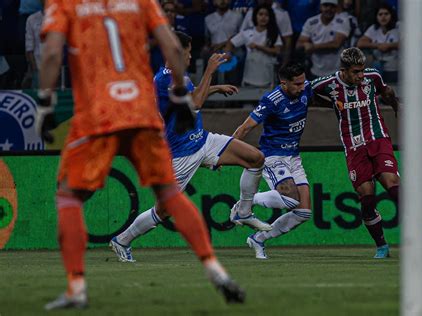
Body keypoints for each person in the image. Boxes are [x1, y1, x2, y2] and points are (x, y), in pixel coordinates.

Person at [37, 0, 244, 310]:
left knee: (69, 197)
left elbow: (52, 53)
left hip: (97, 116)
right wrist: (178, 94)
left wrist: (45, 105)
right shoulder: (141, 3)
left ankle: (76, 286)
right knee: (170, 196)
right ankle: (215, 271)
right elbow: (173, 49)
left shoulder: (64, 4)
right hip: (140, 113)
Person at [110, 32, 271, 263]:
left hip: (203, 140)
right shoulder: (166, 79)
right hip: (182, 153)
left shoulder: (177, 76)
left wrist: (215, 88)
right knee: (164, 211)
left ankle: (243, 212)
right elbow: (195, 103)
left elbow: (192, 95)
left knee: (255, 158)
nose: (190, 56)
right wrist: (210, 70)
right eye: (188, 51)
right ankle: (122, 240)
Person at [311, 47, 400, 259]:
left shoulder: (373, 77)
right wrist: (331, 104)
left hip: (378, 140)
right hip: (353, 147)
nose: (361, 75)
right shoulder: (327, 85)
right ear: (343, 70)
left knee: (393, 186)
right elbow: (307, 94)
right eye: (356, 72)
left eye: (362, 70)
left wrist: (396, 105)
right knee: (367, 199)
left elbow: (386, 91)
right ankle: (381, 246)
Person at [232, 62, 313, 259]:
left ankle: (258, 239)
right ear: (284, 83)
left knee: (303, 212)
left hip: (294, 156)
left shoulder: (306, 88)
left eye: (303, 82)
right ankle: (246, 202)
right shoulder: (272, 100)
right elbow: (245, 127)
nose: (302, 87)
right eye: (297, 84)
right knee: (291, 199)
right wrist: (224, 151)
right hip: (273, 154)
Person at [225, 4, 283, 87]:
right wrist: (227, 54)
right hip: (249, 73)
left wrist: (258, 47)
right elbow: (230, 43)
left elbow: (277, 50)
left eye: (266, 15)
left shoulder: (273, 33)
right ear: (255, 16)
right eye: (260, 14)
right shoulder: (247, 33)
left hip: (267, 73)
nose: (263, 17)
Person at [296, 0, 350, 79]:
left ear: (336, 8)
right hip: (315, 70)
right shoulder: (311, 22)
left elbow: (336, 44)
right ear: (320, 7)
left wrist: (312, 47)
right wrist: (305, 45)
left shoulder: (343, 21)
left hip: (337, 72)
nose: (329, 9)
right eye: (326, 5)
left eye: (332, 6)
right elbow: (299, 44)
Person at [357, 2, 399, 83]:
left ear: (391, 15)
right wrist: (378, 45)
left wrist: (389, 46)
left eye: (386, 14)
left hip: (396, 68)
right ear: (376, 17)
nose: (383, 17)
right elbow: (360, 43)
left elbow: (407, 43)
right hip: (378, 69)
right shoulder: (373, 28)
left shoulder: (399, 26)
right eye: (380, 14)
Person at [24, 0, 44, 88]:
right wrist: (35, 69)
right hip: (38, 68)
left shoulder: (62, 19)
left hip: (59, 69)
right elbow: (29, 49)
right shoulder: (31, 19)